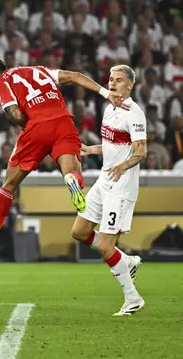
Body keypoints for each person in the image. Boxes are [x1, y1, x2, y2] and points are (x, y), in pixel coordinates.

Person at [0, 53, 128, 263]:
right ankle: (70, 180)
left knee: (8, 186)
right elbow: (74, 76)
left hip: (36, 126)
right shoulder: (38, 70)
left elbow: (15, 114)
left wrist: (34, 131)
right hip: (64, 121)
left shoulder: (2, 82)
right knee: (72, 171)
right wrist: (107, 94)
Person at [72, 65, 147, 316]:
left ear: (130, 85)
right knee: (79, 231)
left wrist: (123, 165)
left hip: (122, 185)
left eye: (118, 80)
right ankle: (126, 261)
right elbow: (113, 145)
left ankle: (132, 298)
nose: (112, 84)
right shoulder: (108, 108)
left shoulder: (134, 114)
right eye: (110, 79)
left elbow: (141, 151)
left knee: (105, 247)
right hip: (104, 181)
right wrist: (90, 150)